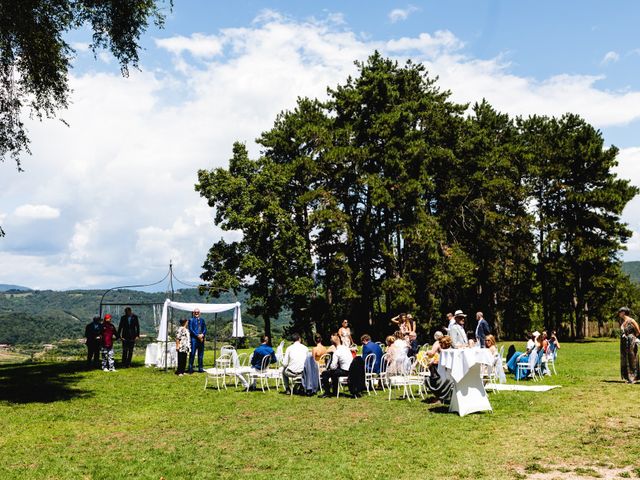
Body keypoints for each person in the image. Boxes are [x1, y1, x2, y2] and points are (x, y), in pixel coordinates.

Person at [618, 307, 640, 383]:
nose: (619, 313)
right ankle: (627, 377)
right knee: (625, 358)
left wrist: (633, 338)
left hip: (631, 341)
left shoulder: (632, 320)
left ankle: (633, 377)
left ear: (624, 312)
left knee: (632, 358)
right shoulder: (622, 321)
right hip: (624, 342)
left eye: (620, 312)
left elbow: (638, 331)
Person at [188, 309, 207, 374]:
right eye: (195, 312)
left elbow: (205, 328)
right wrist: (197, 335)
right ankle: (190, 368)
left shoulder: (202, 320)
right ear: (193, 313)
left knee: (201, 354)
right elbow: (191, 329)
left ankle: (200, 368)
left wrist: (202, 334)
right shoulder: (191, 320)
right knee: (192, 354)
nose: (196, 313)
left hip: (201, 339)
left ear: (200, 313)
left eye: (197, 312)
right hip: (194, 339)